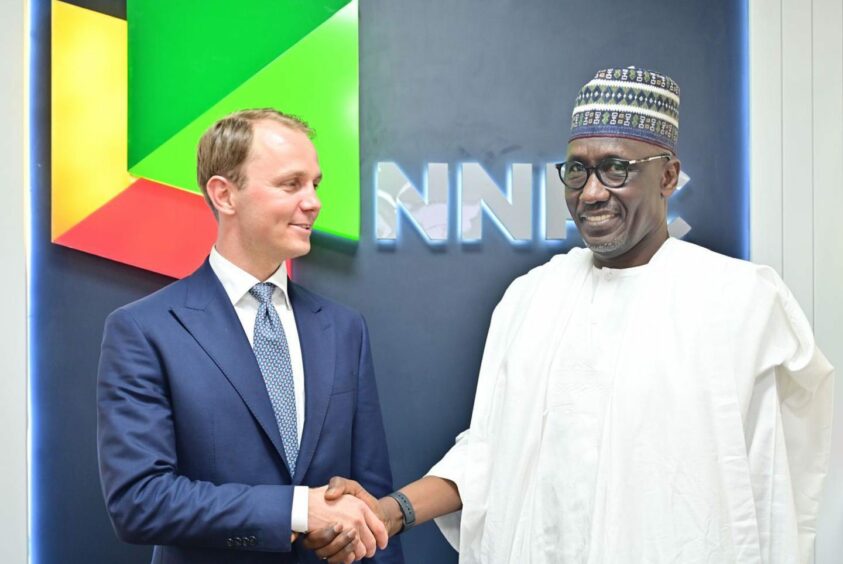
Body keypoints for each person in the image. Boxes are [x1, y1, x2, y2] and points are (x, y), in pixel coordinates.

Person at [308, 67, 834, 563]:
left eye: (616, 168)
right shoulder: (533, 297)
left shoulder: (739, 302)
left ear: (668, 176)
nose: (592, 192)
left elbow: (772, 491)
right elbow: (490, 455)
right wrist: (388, 512)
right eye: (577, 170)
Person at [97, 108, 403, 564]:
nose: (313, 201)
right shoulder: (144, 330)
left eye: (315, 184)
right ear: (225, 194)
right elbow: (140, 501)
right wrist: (298, 510)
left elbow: (371, 505)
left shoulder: (343, 328)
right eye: (290, 184)